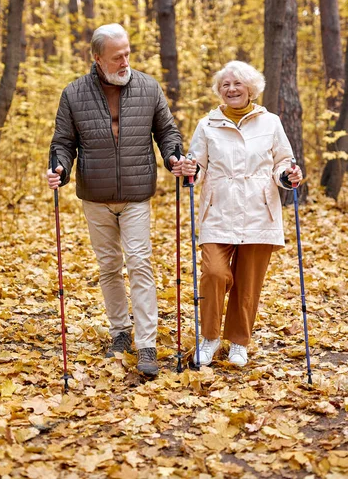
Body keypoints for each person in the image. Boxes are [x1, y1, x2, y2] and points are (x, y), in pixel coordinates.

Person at [47, 23, 183, 377]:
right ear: (97, 58)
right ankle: (120, 333)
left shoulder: (148, 88)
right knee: (109, 267)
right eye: (117, 56)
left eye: (127, 54)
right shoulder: (74, 94)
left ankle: (148, 344)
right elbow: (63, 142)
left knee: (139, 263)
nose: (125, 61)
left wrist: (173, 158)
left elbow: (167, 132)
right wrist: (59, 168)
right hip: (96, 196)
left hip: (137, 195)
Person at [181, 60, 303, 368]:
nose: (231, 89)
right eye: (225, 85)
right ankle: (209, 338)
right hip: (218, 210)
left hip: (259, 211)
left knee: (249, 284)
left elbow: (282, 162)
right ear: (219, 91)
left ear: (250, 88)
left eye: (237, 84)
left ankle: (238, 343)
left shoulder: (270, 122)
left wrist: (287, 175)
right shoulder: (207, 124)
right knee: (214, 274)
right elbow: (197, 163)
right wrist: (189, 169)